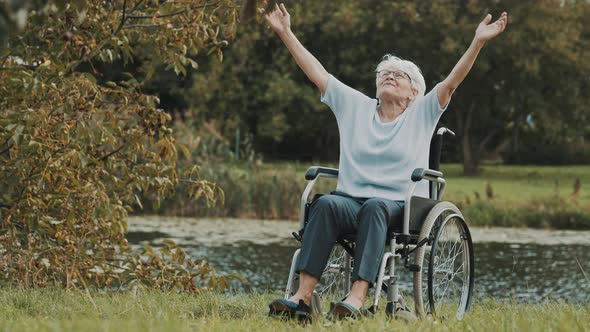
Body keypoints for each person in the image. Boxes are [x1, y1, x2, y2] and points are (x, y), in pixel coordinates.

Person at [263, 2, 508, 320]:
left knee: (375, 206)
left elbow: (452, 82)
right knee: (324, 204)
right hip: (351, 201)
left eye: (399, 75)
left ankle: (358, 296)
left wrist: (478, 41)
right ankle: (302, 298)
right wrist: (286, 33)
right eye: (384, 74)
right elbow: (317, 74)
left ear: (413, 93)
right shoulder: (355, 107)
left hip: (397, 207)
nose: (390, 76)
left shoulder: (422, 113)